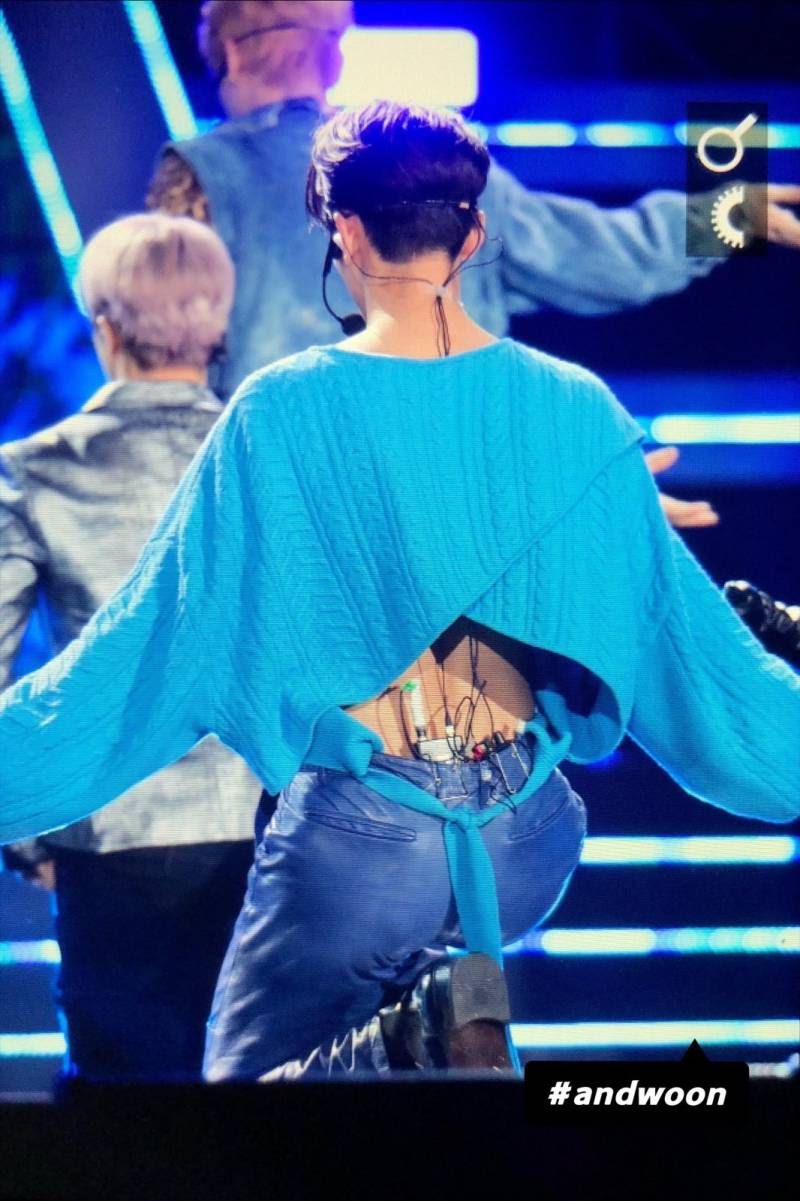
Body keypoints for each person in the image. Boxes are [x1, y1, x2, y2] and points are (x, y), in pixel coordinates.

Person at [1, 102, 797, 1083]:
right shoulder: (576, 408)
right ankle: (430, 1036)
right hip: (527, 835)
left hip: (368, 835)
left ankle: (404, 1039)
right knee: (434, 1129)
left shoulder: (279, 409)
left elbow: (141, 658)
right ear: (475, 231)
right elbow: (702, 668)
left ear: (340, 230)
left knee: (240, 1107)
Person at [147, 0, 800, 402]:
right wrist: (726, 216)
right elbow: (601, 258)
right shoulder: (435, 159)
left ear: (228, 54)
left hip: (286, 523)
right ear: (335, 58)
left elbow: (158, 358)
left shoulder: (197, 178)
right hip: (454, 499)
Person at [0, 214, 263, 1081]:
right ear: (218, 324)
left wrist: (26, 832)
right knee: (283, 1122)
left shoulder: (32, 470)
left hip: (112, 838)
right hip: (278, 834)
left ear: (104, 326)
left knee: (131, 1123)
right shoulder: (273, 460)